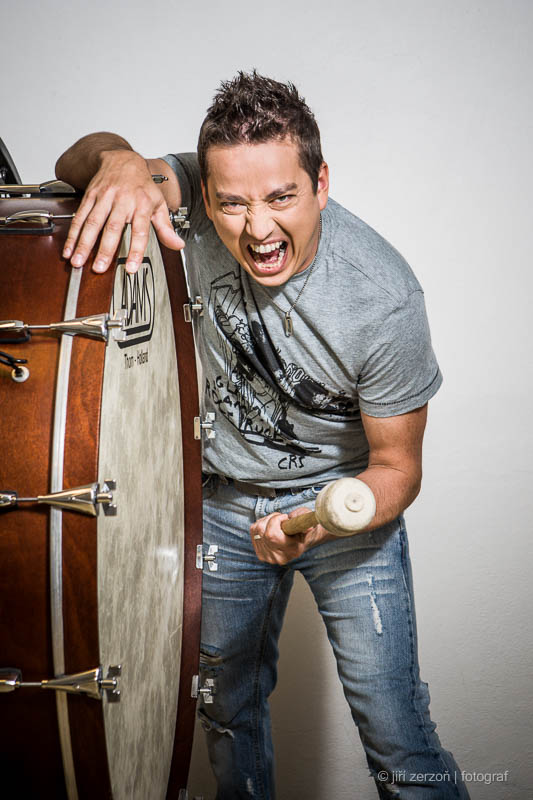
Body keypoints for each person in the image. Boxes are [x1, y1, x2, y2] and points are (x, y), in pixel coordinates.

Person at [56, 71, 469, 800]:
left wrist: (317, 521)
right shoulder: (186, 190)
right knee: (225, 713)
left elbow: (397, 470)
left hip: (345, 503)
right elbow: (74, 161)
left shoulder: (383, 298)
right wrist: (117, 159)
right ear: (208, 192)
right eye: (233, 204)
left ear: (320, 183)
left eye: (281, 197)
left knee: (396, 733)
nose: (258, 228)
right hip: (223, 497)